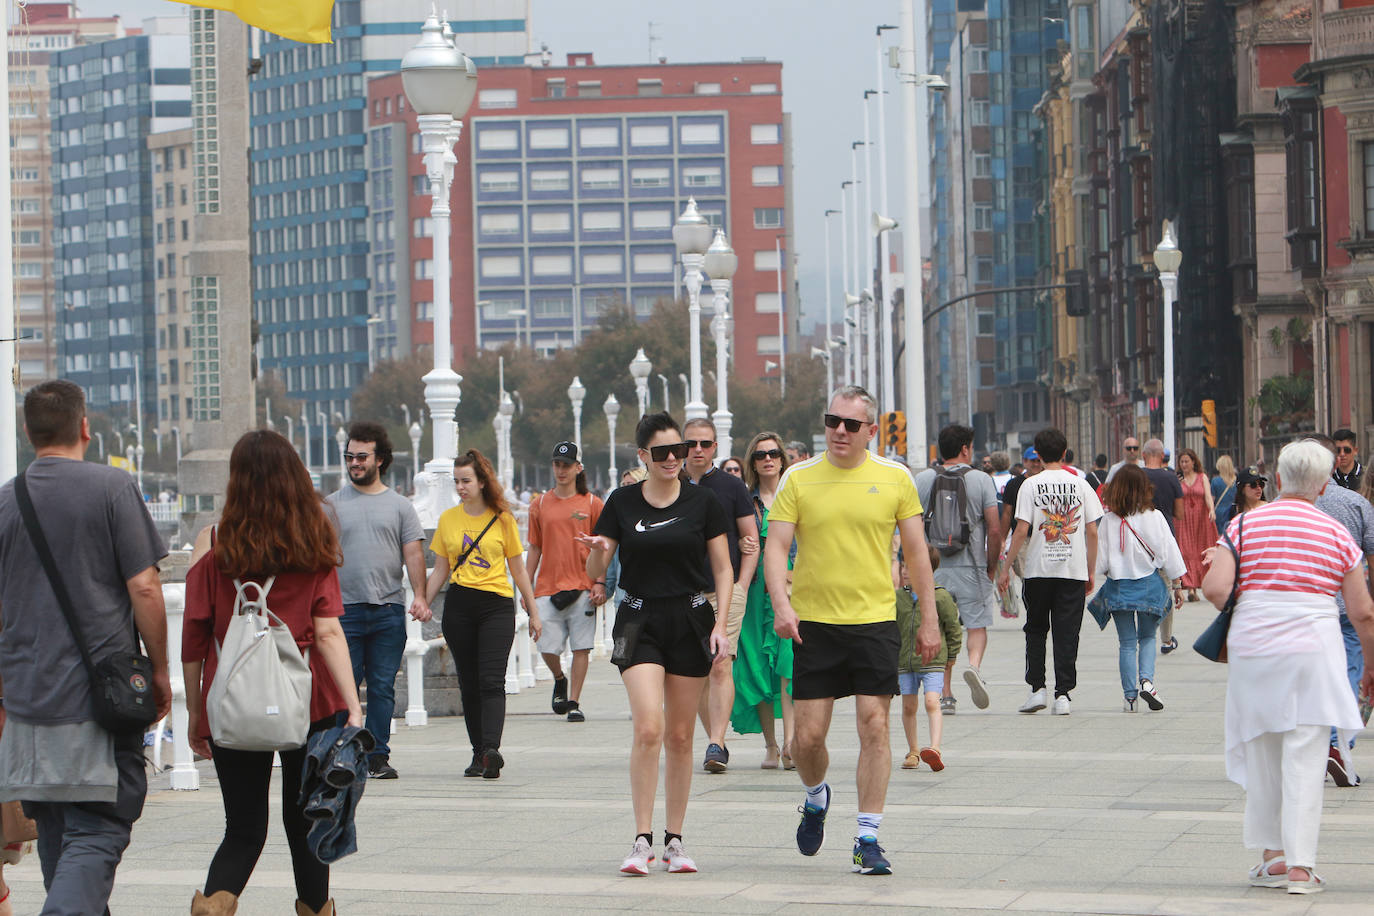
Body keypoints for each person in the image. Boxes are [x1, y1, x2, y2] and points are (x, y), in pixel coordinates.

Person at [0, 380, 171, 916]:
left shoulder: (6, 500)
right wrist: (160, 671)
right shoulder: (112, 489)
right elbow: (144, 586)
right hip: (97, 701)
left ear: (29, 433)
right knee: (98, 828)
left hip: (27, 699)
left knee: (54, 828)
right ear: (85, 429)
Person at [182, 430, 363, 916]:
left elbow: (194, 641)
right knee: (306, 824)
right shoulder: (313, 544)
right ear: (293, 479)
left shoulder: (214, 545)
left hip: (234, 695)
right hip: (312, 701)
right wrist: (354, 705)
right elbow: (327, 634)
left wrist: (196, 714)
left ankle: (213, 908)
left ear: (237, 481)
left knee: (243, 829)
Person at [764, 385, 940, 877]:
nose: (839, 431)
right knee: (807, 739)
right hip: (813, 625)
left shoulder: (893, 478)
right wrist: (782, 604)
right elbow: (776, 548)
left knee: (875, 725)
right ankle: (816, 796)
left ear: (871, 430)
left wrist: (928, 618)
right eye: (832, 421)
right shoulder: (799, 479)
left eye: (850, 425)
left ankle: (868, 839)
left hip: (874, 622)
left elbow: (917, 552)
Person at [1201, 439, 1374, 894]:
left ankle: (1272, 856)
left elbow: (1215, 588)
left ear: (1277, 480)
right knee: (1307, 751)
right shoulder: (1336, 533)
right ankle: (1301, 867)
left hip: (1256, 646)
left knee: (1263, 748)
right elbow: (1362, 612)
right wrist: (1371, 666)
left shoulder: (1243, 526)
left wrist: (1252, 606)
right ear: (1322, 486)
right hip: (1315, 648)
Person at [579, 412, 732, 876]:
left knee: (682, 736)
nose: (673, 460)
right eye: (662, 452)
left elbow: (722, 569)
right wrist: (599, 552)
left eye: (679, 451)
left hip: (691, 617)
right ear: (643, 455)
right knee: (649, 728)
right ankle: (641, 839)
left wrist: (720, 624)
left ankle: (675, 841)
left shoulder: (703, 501)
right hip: (638, 617)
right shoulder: (622, 502)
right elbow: (593, 572)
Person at [422, 449, 540, 780]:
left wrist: (533, 611)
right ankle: (477, 754)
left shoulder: (503, 518)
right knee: (469, 684)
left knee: (491, 679)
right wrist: (423, 601)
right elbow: (440, 570)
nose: (461, 487)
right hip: (460, 606)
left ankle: (491, 750)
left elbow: (518, 570)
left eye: (466, 481)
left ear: (482, 481)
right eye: (457, 482)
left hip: (496, 606)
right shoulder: (448, 520)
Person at [325, 421, 430, 780]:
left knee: (383, 687)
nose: (354, 463)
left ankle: (377, 756)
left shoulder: (400, 506)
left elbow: (413, 555)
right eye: (349, 456)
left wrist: (420, 596)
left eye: (361, 457)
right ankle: (343, 755)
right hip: (343, 613)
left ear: (380, 460)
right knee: (344, 687)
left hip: (387, 610)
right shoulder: (330, 507)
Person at [997, 427, 1103, 716]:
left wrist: (1005, 568)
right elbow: (1092, 530)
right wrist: (1091, 568)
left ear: (1038, 454)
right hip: (1073, 568)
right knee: (1067, 633)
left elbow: (1021, 530)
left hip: (1038, 569)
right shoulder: (1081, 484)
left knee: (1036, 629)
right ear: (1066, 451)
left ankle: (1037, 689)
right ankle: (1064, 694)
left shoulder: (1030, 485)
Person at [682, 418, 759, 775]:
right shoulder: (671, 483)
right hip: (682, 593)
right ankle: (712, 736)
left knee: (720, 662)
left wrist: (741, 584)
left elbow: (751, 539)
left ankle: (717, 742)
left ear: (715, 447)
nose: (698, 450)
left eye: (705, 444)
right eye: (692, 443)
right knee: (694, 670)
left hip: (723, 591)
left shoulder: (731, 486)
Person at [914, 424, 1002, 713]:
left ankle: (946, 695)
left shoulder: (923, 479)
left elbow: (912, 525)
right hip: (972, 566)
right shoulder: (980, 479)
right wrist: (991, 567)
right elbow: (994, 527)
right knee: (976, 625)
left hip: (934, 568)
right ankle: (974, 666)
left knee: (940, 629)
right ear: (965, 448)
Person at [1088, 465, 1186, 712]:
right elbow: (1168, 551)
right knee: (1147, 637)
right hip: (1149, 585)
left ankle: (1130, 698)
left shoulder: (1109, 521)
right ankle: (1147, 681)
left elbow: (1101, 562)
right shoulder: (1155, 517)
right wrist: (1177, 583)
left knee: (1127, 643)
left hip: (1119, 586)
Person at [1306, 435, 1374, 786]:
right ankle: (1338, 744)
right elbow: (1371, 556)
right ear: (1334, 463)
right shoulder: (1356, 503)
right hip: (1347, 604)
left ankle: (1315, 748)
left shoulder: (1284, 510)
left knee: (1309, 679)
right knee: (1352, 673)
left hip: (1303, 608)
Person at [526, 442, 603, 724]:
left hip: (583, 586)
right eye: (557, 464)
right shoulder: (540, 504)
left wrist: (601, 582)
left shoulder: (593, 504)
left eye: (567, 465)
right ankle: (559, 678)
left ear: (578, 468)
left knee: (581, 647)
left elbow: (604, 546)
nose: (561, 470)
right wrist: (526, 588)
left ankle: (574, 701)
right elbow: (534, 547)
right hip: (548, 586)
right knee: (546, 645)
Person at [730, 432, 794, 769]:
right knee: (757, 667)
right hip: (755, 592)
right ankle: (770, 745)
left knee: (788, 664)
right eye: (759, 455)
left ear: (782, 458)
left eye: (772, 453)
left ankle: (791, 743)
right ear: (752, 462)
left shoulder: (795, 495)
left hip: (790, 587)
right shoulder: (746, 500)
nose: (767, 459)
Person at [897, 547, 961, 771]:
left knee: (932, 702)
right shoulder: (898, 597)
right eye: (903, 565)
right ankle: (913, 750)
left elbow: (953, 627)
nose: (905, 571)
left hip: (933, 660)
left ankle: (934, 748)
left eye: (910, 566)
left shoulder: (940, 596)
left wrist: (951, 655)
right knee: (908, 707)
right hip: (905, 662)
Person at [1140, 439, 1185, 652]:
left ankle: (1143, 632)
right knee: (1166, 588)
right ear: (1162, 456)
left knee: (1141, 585)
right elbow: (1179, 513)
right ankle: (1166, 639)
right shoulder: (1171, 478)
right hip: (1164, 536)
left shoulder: (1136, 477)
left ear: (1143, 454)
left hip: (1139, 539)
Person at [994, 447, 1043, 630]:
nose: (1036, 464)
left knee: (1042, 580)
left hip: (1045, 538)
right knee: (1027, 579)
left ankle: (1040, 612)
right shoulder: (1014, 485)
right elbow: (1006, 514)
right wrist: (1002, 539)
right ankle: (1034, 613)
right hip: (1023, 541)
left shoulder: (1047, 482)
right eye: (1032, 461)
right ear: (1025, 462)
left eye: (1039, 461)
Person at [1175, 448, 1216, 603]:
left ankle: (1198, 584)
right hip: (1183, 519)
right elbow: (1175, 497)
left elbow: (1207, 496)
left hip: (1200, 519)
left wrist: (1211, 510)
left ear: (1193, 462)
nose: (1184, 464)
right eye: (1182, 462)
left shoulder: (1202, 477)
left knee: (1200, 551)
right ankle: (1190, 587)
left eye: (1187, 461)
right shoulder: (1178, 478)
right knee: (1186, 551)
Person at [1212, 456, 1238, 536]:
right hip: (1233, 512)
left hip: (1219, 514)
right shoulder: (1237, 481)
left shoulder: (1215, 481)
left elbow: (1212, 500)